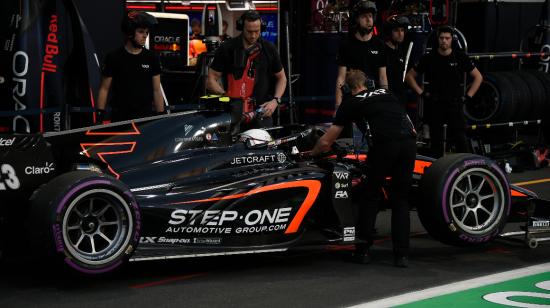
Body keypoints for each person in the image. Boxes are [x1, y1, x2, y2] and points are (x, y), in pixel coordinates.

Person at [311, 70, 417, 268]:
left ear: (348, 89)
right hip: (409, 145)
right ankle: (402, 256)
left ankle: (363, 251)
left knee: (370, 195)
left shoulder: (351, 103)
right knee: (401, 200)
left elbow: (327, 141)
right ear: (367, 83)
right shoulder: (387, 94)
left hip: (385, 146)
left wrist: (311, 154)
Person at [406, 25, 483, 158]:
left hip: (455, 103)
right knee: (436, 140)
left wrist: (468, 97)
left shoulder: (459, 56)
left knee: (460, 138)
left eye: (447, 38)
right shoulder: (429, 57)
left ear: (451, 39)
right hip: (435, 103)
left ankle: (466, 168)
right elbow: (409, 76)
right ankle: (436, 171)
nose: (444, 41)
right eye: (441, 38)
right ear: (438, 39)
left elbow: (478, 77)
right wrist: (422, 93)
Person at [206, 10, 287, 129]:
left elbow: (282, 78)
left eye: (257, 31)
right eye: (249, 32)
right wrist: (225, 97)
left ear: (262, 28)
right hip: (232, 114)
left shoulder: (269, 48)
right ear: (241, 27)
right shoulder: (227, 48)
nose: (253, 35)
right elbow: (211, 79)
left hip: (261, 114)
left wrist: (275, 101)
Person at [96, 11, 165, 123]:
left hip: (145, 119)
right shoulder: (113, 57)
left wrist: (161, 117)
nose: (145, 36)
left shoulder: (152, 58)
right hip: (119, 119)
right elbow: (104, 89)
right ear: (129, 33)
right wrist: (99, 115)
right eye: (141, 32)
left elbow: (157, 90)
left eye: (147, 32)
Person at [335, 0, 388, 110]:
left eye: (370, 16)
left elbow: (383, 77)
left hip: (374, 100)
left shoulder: (380, 45)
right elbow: (341, 78)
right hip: (352, 99)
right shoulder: (346, 45)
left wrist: (386, 100)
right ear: (356, 19)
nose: (369, 20)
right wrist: (338, 106)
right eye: (364, 16)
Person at [383, 15, 410, 106]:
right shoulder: (382, 51)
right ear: (389, 32)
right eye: (396, 30)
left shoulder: (400, 49)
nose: (400, 33)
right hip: (387, 100)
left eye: (402, 30)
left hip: (400, 99)